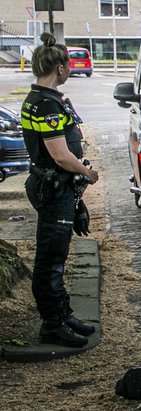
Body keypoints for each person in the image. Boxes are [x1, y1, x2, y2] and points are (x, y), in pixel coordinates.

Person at [20, 34, 99, 347]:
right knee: (51, 259)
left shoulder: (46, 99)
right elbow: (59, 154)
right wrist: (87, 172)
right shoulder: (44, 106)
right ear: (59, 67)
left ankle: (62, 314)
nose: (69, 69)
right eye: (67, 64)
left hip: (54, 186)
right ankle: (52, 324)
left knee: (56, 256)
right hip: (52, 188)